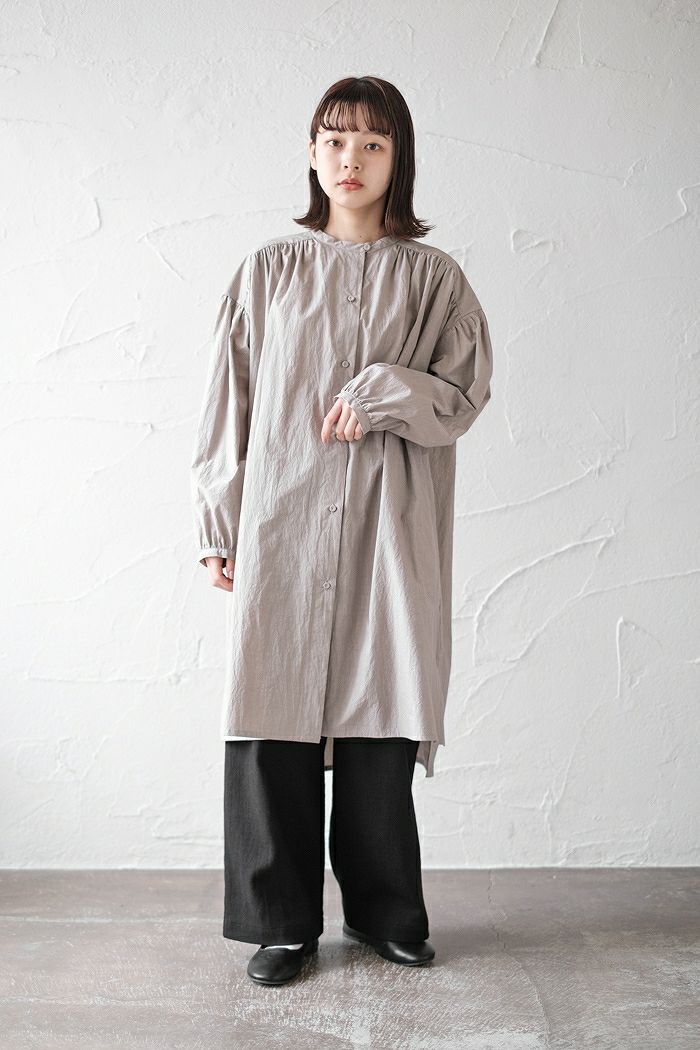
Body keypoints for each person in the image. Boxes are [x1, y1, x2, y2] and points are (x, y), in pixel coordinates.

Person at [190, 75, 494, 986]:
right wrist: (219, 520)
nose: (349, 159)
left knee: (380, 714)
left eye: (371, 143)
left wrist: (383, 392)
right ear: (311, 152)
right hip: (282, 523)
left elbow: (463, 393)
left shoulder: (435, 280)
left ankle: (384, 913)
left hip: (389, 531)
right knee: (271, 709)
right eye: (333, 140)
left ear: (399, 158)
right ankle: (281, 924)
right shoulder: (269, 272)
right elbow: (229, 399)